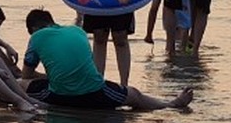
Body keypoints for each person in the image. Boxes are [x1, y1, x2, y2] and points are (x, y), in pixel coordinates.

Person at [22, 9, 192, 110]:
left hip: (60, 95)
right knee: (134, 95)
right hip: (94, 92)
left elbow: (26, 75)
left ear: (35, 29)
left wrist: (50, 77)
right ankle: (171, 104)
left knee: (19, 83)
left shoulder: (36, 37)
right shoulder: (77, 31)